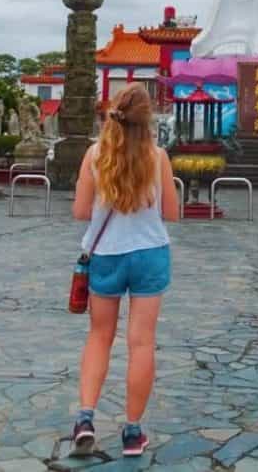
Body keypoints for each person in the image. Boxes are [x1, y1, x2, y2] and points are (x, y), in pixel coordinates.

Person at [70, 84, 180, 458]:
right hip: (149, 254)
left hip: (106, 254)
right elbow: (172, 213)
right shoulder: (158, 157)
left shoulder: (94, 155)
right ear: (148, 119)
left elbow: (82, 212)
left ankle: (85, 419)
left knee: (100, 336)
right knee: (142, 342)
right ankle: (132, 432)